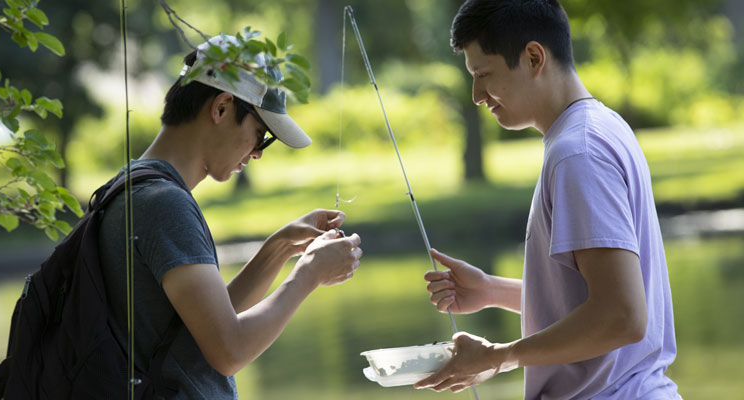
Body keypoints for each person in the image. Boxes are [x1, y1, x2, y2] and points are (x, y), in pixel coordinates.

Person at [415, 1, 680, 398]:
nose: (476, 95)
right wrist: (491, 290)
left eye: (483, 74)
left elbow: (622, 317)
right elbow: (595, 300)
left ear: (534, 56)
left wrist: (498, 356)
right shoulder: (598, 129)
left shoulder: (579, 153)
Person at [98, 34, 363, 399]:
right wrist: (309, 274)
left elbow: (203, 324)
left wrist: (280, 247)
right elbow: (229, 350)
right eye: (260, 136)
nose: (257, 153)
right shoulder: (164, 205)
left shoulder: (129, 186)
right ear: (221, 108)